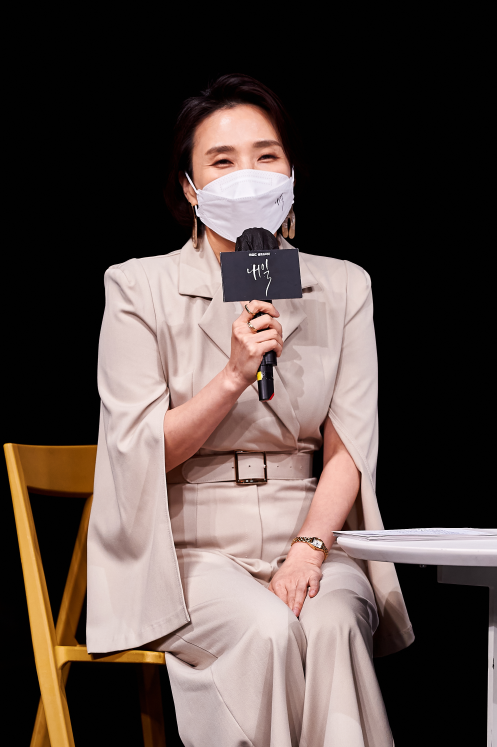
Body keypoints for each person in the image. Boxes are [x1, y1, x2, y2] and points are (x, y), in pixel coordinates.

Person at [87, 73, 414, 747]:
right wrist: (234, 376)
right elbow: (139, 451)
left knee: (330, 623)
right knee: (266, 629)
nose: (248, 176)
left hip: (311, 535)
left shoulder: (342, 285)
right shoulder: (138, 286)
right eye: (223, 161)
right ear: (190, 186)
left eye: (266, 156)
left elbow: (348, 448)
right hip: (189, 549)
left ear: (291, 173)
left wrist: (309, 551)